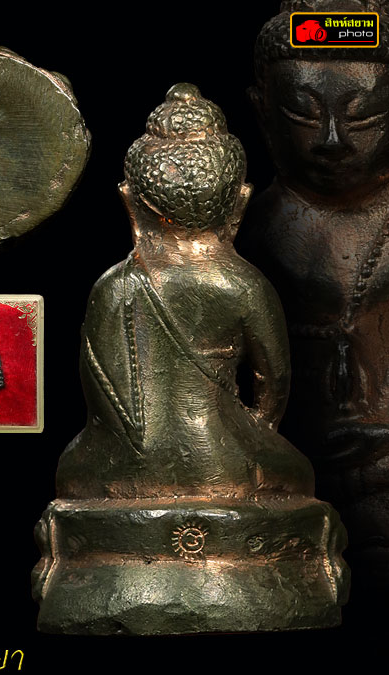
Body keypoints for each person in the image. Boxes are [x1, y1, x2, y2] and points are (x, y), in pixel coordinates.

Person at [56, 83, 314, 500]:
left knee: (73, 466)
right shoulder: (243, 284)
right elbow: (274, 384)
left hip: (113, 467)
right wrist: (252, 432)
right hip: (219, 458)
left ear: (129, 203)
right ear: (241, 203)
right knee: (296, 470)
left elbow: (99, 400)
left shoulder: (110, 286)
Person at [242, 0, 387, 596]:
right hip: (287, 486)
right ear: (262, 112)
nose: (332, 141)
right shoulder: (243, 233)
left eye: (365, 116)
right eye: (302, 114)